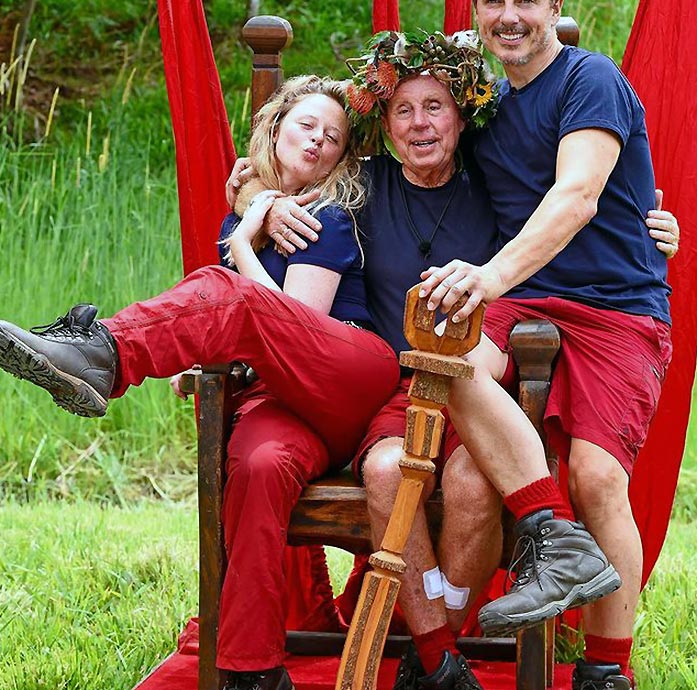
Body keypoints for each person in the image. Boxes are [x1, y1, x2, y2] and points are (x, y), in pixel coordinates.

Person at [226, 27, 679, 690]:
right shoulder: (364, 184)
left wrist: (650, 226)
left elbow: (578, 198)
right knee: (398, 449)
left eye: (435, 107)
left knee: (525, 479)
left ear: (461, 119)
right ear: (382, 126)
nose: (420, 123)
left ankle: (497, 645)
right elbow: (294, 168)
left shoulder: (499, 170)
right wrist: (255, 202)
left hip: (561, 330)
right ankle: (441, 657)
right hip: (402, 380)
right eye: (403, 110)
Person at [0, 75, 402, 690]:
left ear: (342, 158)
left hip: (349, 374)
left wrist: (242, 245)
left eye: (334, 137)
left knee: (226, 291)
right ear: (274, 129)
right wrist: (197, 353)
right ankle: (251, 670)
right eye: (306, 125)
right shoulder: (243, 216)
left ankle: (102, 354)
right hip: (284, 400)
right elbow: (232, 332)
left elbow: (289, 320)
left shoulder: (327, 216)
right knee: (257, 463)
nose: (318, 141)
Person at [412, 2, 672, 688]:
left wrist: (490, 276)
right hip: (524, 296)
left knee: (597, 477)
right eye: (492, 1)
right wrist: (261, 190)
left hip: (617, 305)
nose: (508, 15)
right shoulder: (484, 106)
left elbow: (578, 194)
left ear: (554, 7)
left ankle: (605, 670)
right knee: (446, 358)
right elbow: (395, 137)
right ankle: (553, 534)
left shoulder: (591, 79)